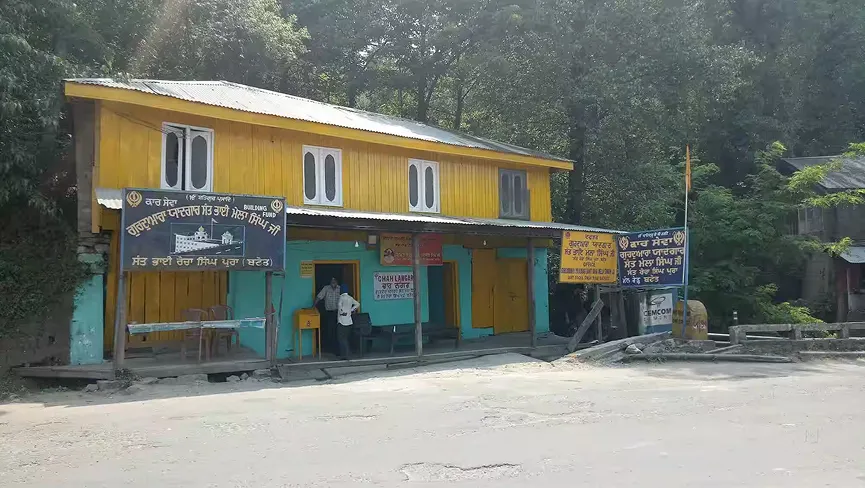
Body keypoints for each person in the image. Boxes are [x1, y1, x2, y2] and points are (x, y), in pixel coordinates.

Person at [314, 277, 341, 352]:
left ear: (337, 282)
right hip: (329, 313)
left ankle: (337, 348)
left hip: (339, 313)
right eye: (332, 281)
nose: (333, 282)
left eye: (334, 281)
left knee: (338, 330)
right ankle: (330, 347)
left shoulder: (340, 289)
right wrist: (313, 306)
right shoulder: (326, 288)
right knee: (330, 330)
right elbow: (319, 297)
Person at [336, 284, 360, 359]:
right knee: (345, 338)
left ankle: (346, 354)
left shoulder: (341, 297)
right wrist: (351, 310)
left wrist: (342, 312)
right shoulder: (350, 298)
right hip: (349, 321)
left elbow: (339, 305)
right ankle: (346, 354)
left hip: (341, 321)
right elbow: (357, 304)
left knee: (341, 338)